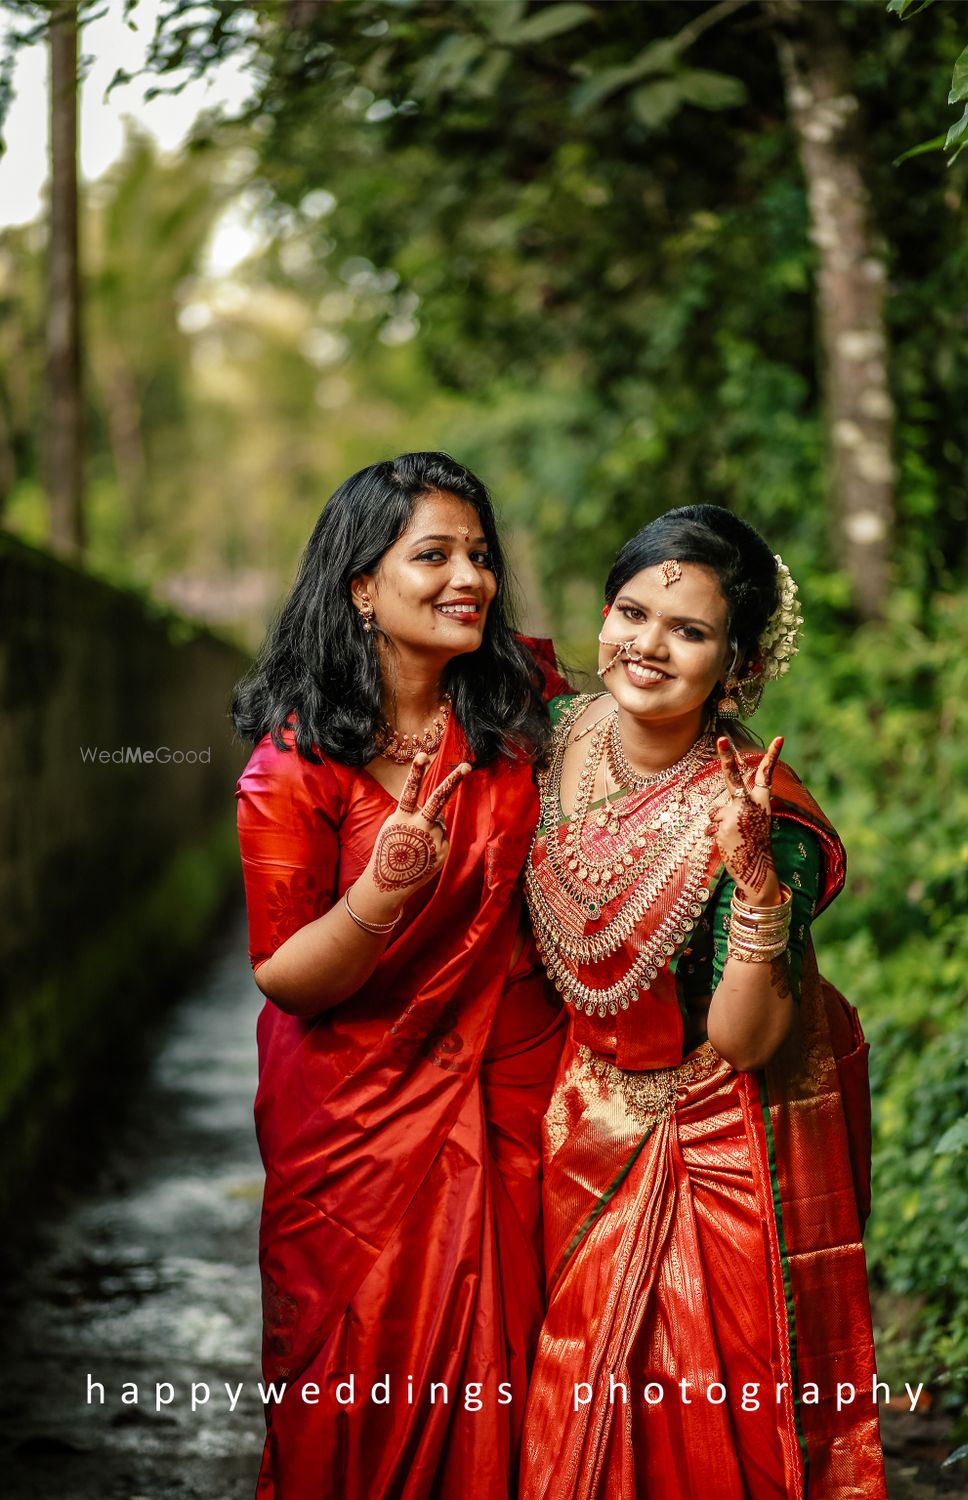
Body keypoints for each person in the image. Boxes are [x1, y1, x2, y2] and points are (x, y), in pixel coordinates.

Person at [519, 506, 886, 1500]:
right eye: (631, 612)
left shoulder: (766, 820)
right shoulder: (557, 733)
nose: (646, 644)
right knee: (559, 1404)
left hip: (708, 1142)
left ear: (738, 665)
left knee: (690, 1434)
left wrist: (755, 881)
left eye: (686, 632)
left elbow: (745, 1036)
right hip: (572, 1120)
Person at [232, 453, 568, 1500]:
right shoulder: (293, 767)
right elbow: (287, 977)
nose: (469, 575)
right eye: (433, 555)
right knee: (350, 1382)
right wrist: (380, 891)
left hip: (511, 1101)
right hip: (354, 1126)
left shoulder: (523, 719)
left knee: (513, 1376)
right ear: (362, 589)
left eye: (479, 554)